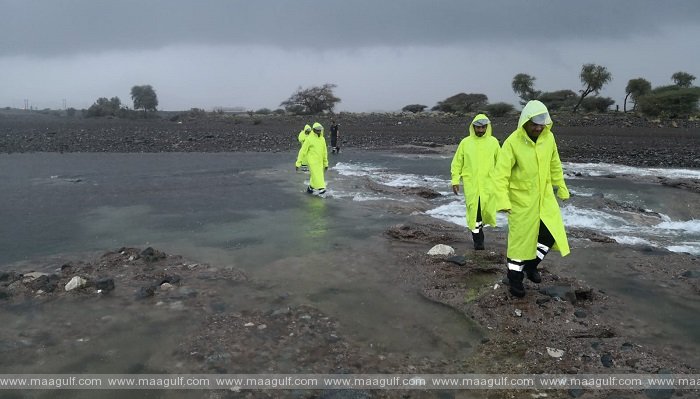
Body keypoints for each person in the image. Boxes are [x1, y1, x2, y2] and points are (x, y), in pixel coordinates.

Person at [492, 100, 570, 298]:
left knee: (550, 235)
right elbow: (500, 174)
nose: (537, 127)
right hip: (521, 201)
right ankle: (515, 279)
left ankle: (530, 265)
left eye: (541, 124)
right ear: (525, 121)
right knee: (519, 243)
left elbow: (555, 164)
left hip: (544, 199)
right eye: (534, 124)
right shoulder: (512, 142)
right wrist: (502, 200)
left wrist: (561, 187)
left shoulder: (548, 138)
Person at [450, 114, 500, 250]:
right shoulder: (465, 143)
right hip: (471, 185)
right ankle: (478, 242)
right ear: (473, 127)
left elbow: (501, 164)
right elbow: (457, 163)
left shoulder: (493, 142)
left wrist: (503, 183)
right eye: (478, 127)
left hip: (488, 185)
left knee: (486, 212)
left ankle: (479, 235)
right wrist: (455, 180)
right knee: (474, 212)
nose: (481, 130)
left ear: (487, 127)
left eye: (483, 127)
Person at [295, 122, 329, 196]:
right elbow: (302, 151)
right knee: (317, 174)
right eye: (317, 130)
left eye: (320, 130)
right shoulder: (309, 139)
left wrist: (326, 163)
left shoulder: (322, 139)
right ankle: (322, 188)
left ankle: (311, 188)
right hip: (312, 161)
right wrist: (298, 163)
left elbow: (325, 151)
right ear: (313, 130)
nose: (319, 131)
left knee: (315, 175)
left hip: (320, 161)